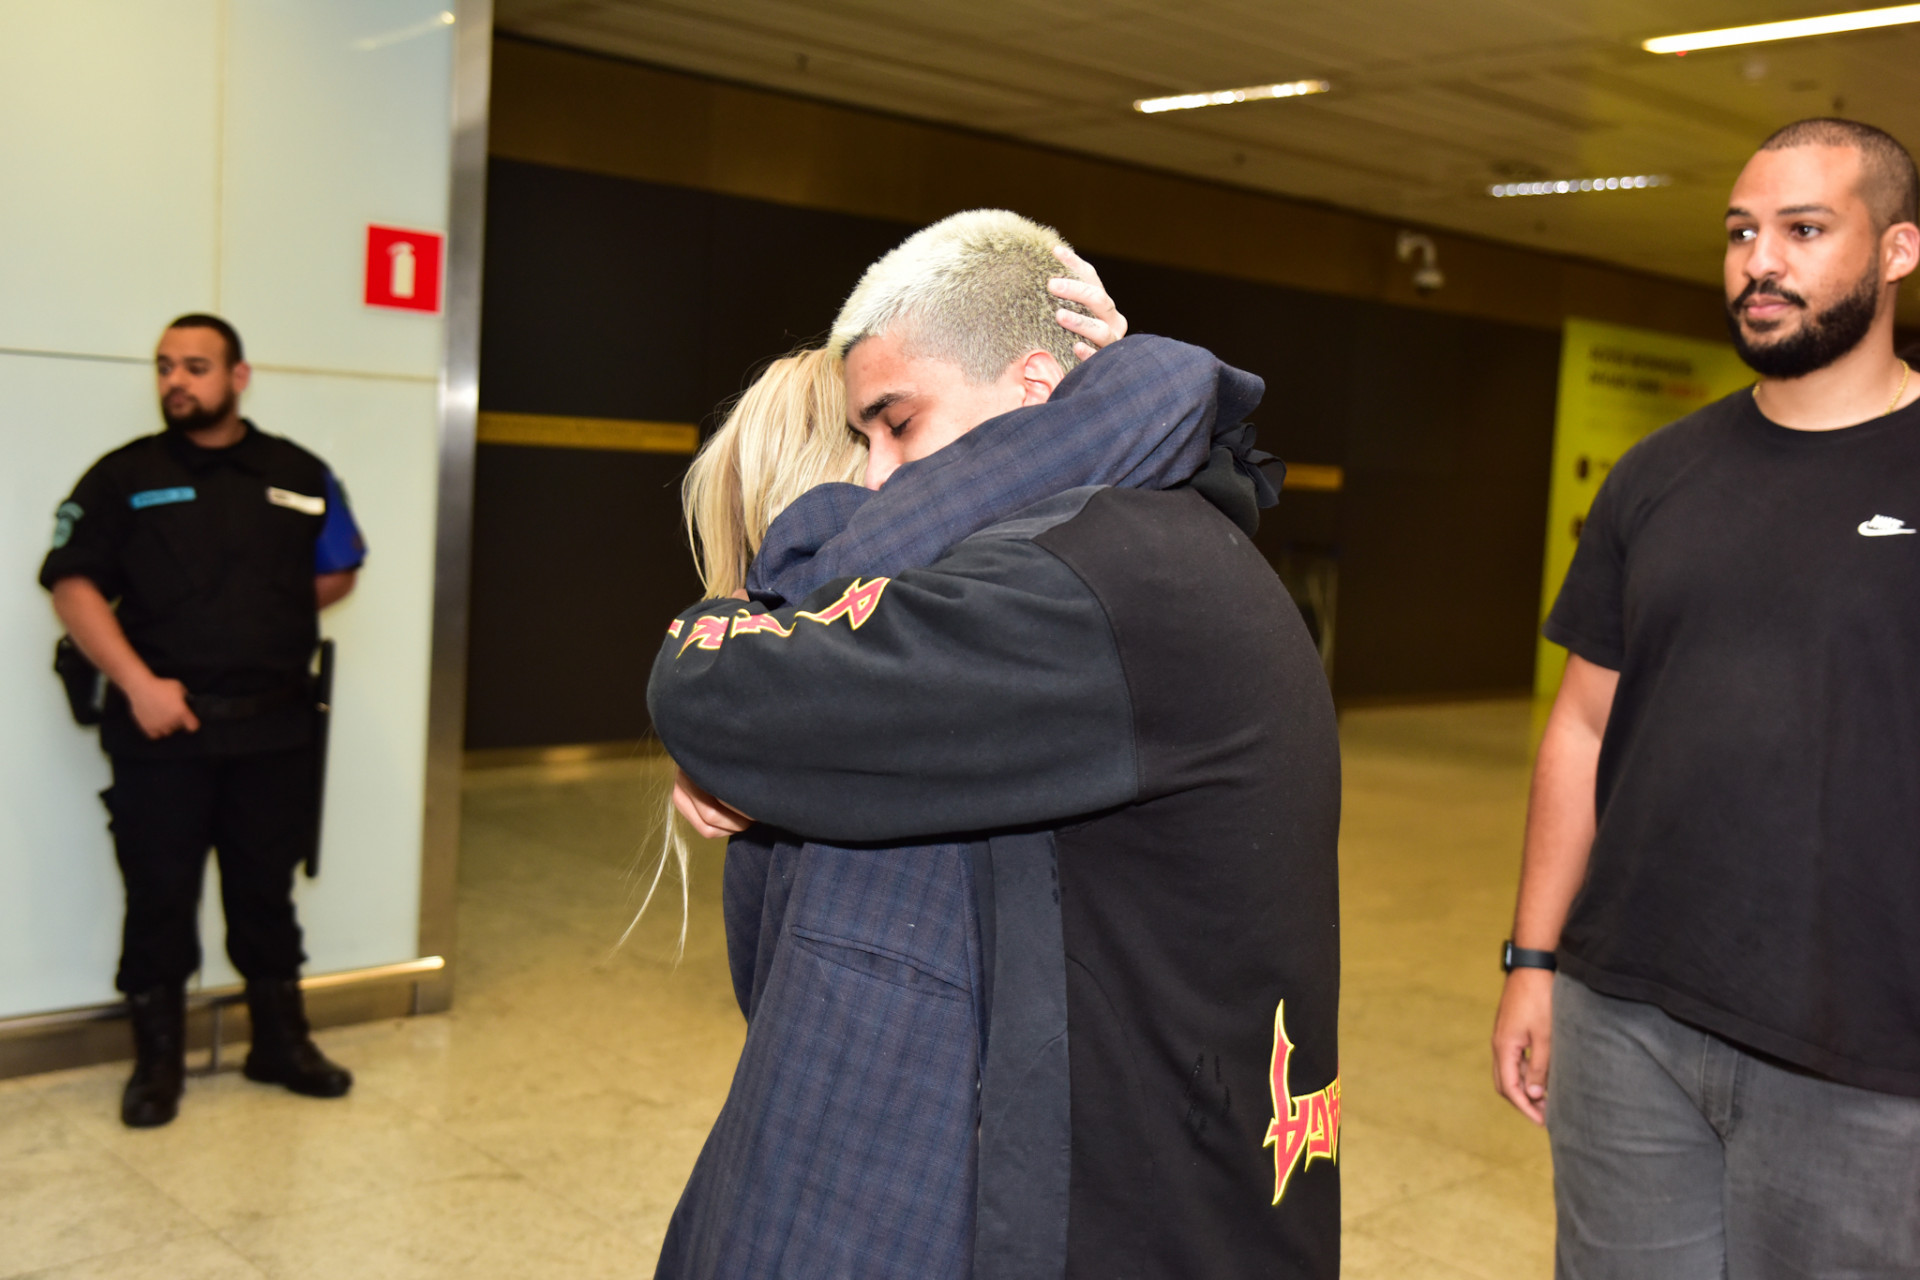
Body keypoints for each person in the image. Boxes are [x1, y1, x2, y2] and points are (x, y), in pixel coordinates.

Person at [651, 212, 1342, 1278]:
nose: (879, 481)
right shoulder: (1147, 548)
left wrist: (759, 596)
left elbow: (722, 694)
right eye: (860, 441)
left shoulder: (1094, 585)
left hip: (1139, 1216)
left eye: (899, 424)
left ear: (1033, 391)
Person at [1491, 119, 1920, 1277]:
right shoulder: (1657, 474)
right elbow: (1581, 728)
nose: (1758, 261)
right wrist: (1533, 961)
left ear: (1897, 251)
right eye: (1740, 232)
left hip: (1867, 1059)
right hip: (1624, 1017)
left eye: (1803, 229)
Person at [41, 314, 365, 1128]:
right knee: (158, 895)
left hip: (274, 730)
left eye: (195, 366)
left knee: (265, 892)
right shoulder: (123, 477)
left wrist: (260, 624)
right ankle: (157, 1064)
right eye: (163, 367)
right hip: (162, 731)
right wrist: (140, 682)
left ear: (238, 376)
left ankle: (278, 1044)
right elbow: (72, 585)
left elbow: (338, 571)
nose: (175, 381)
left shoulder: (300, 471)